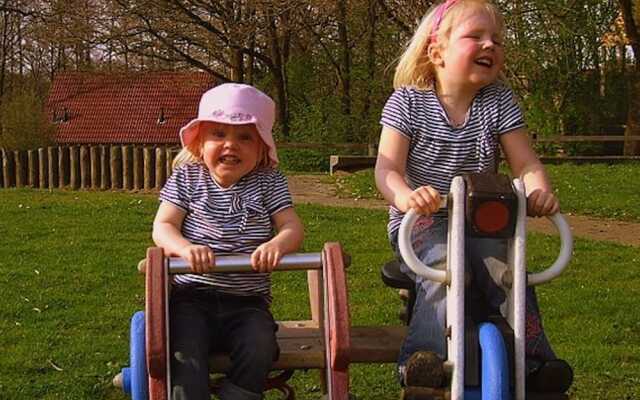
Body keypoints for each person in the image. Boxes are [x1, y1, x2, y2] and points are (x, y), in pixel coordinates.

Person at [375, 0, 573, 393]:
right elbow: (387, 170)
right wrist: (406, 196)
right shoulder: (408, 102)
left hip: (483, 220)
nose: (490, 45)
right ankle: (424, 362)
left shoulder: (498, 102)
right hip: (424, 221)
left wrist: (539, 191)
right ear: (437, 53)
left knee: (510, 274)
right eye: (475, 36)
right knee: (447, 267)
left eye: (497, 39)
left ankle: (535, 364)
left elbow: (525, 162)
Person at [152, 83, 304, 400]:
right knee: (183, 352)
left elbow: (291, 226)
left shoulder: (268, 181)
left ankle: (239, 395)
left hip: (247, 302)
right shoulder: (187, 178)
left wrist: (277, 245)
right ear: (199, 143)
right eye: (219, 134)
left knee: (260, 344)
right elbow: (163, 226)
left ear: (262, 147)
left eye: (244, 137)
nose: (230, 145)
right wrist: (184, 248)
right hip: (192, 296)